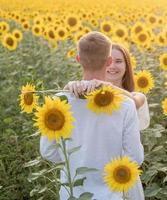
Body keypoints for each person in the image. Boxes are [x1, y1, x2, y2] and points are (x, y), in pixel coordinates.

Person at [40, 32, 144, 200]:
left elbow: (48, 151)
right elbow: (135, 158)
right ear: (109, 61)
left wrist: (76, 160)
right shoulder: (125, 104)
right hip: (113, 194)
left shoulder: (58, 101)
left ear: (78, 59)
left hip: (72, 193)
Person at [64, 44, 150, 200]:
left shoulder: (135, 97)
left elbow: (134, 102)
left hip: (122, 174)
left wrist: (109, 88)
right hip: (89, 173)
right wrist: (70, 88)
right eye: (110, 61)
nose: (113, 66)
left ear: (127, 66)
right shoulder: (89, 96)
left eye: (119, 61)